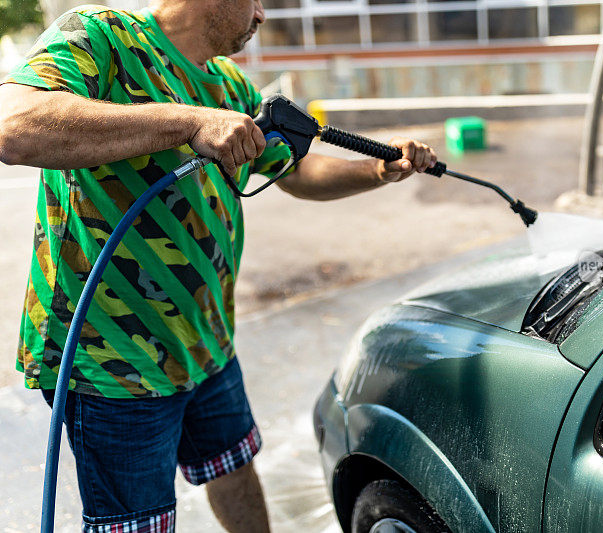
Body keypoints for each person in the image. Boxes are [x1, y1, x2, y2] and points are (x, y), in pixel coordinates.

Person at [0, 1, 437, 531]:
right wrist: (188, 123)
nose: (262, 16)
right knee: (136, 522)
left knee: (234, 470)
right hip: (111, 360)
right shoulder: (102, 38)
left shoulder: (231, 85)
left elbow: (294, 171)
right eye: (255, 1)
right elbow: (14, 126)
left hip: (205, 340)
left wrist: (376, 169)